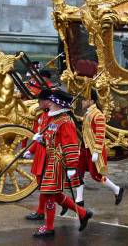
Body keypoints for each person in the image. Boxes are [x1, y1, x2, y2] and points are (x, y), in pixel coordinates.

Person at [33, 89, 93, 238]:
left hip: (59, 163)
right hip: (51, 160)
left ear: (57, 103)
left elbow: (71, 144)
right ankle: (83, 213)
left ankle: (49, 227)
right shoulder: (55, 119)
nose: (49, 105)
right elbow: (52, 141)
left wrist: (72, 166)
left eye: (52, 102)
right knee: (56, 195)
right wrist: (41, 141)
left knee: (48, 194)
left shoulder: (65, 121)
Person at [61, 89, 124, 214]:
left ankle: (117, 189)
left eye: (84, 100)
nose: (82, 102)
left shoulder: (98, 115)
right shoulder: (88, 113)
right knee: (78, 173)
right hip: (84, 148)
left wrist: (96, 151)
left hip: (94, 150)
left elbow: (100, 135)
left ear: (91, 101)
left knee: (97, 176)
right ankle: (79, 200)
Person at [23, 89, 52, 221]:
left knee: (48, 188)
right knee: (42, 185)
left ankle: (80, 212)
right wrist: (31, 150)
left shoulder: (54, 116)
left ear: (47, 102)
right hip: (41, 153)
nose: (39, 103)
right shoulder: (43, 115)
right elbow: (39, 136)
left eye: (41, 101)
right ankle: (40, 211)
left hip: (49, 154)